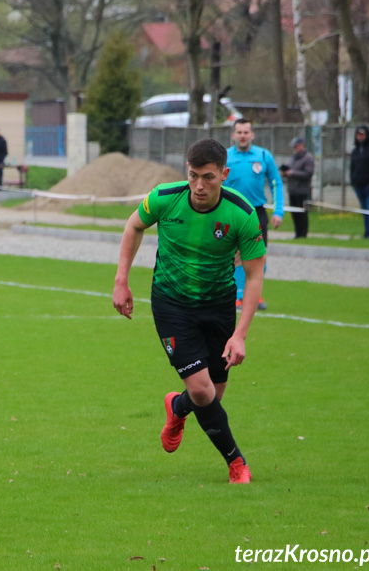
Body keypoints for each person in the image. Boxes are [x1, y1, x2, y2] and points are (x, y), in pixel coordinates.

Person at [112, 138, 266, 485]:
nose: (199, 185)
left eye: (208, 177)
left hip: (219, 305)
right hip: (171, 303)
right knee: (201, 390)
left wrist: (240, 335)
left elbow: (255, 275)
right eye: (194, 175)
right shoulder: (165, 198)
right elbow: (133, 226)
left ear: (224, 174)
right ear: (187, 171)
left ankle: (177, 408)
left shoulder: (241, 213)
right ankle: (236, 463)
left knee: (212, 394)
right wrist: (121, 280)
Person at [224, 119, 283, 311]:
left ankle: (254, 295)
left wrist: (279, 210)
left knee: (259, 256)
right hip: (231, 212)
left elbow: (276, 182)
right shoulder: (224, 156)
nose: (242, 136)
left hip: (256, 212)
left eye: (246, 132)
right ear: (233, 135)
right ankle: (238, 296)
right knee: (235, 256)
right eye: (239, 132)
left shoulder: (263, 156)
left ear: (252, 135)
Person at [280, 137, 315, 239]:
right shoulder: (293, 157)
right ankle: (297, 233)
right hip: (293, 190)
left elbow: (308, 173)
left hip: (302, 190)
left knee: (302, 213)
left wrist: (293, 173)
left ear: (302, 145)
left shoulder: (308, 158)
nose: (295, 148)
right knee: (294, 213)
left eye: (296, 146)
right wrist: (285, 172)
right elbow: (289, 167)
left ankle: (303, 234)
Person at [350, 125, 369, 239]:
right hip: (359, 184)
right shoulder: (355, 150)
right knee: (364, 209)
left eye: (362, 135)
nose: (360, 137)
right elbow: (352, 167)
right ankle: (366, 232)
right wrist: (353, 180)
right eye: (358, 135)